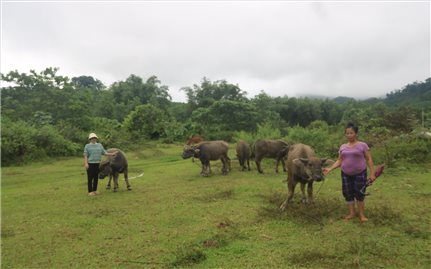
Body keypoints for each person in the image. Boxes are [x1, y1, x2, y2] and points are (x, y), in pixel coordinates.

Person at [323, 123, 376, 222]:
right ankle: (351, 213)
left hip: (360, 173)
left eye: (351, 133)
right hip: (345, 174)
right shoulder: (343, 146)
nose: (349, 135)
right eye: (347, 133)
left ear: (356, 133)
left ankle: (361, 215)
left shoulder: (362, 145)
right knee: (348, 193)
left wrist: (372, 173)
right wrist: (330, 169)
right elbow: (340, 160)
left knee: (359, 193)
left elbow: (369, 159)